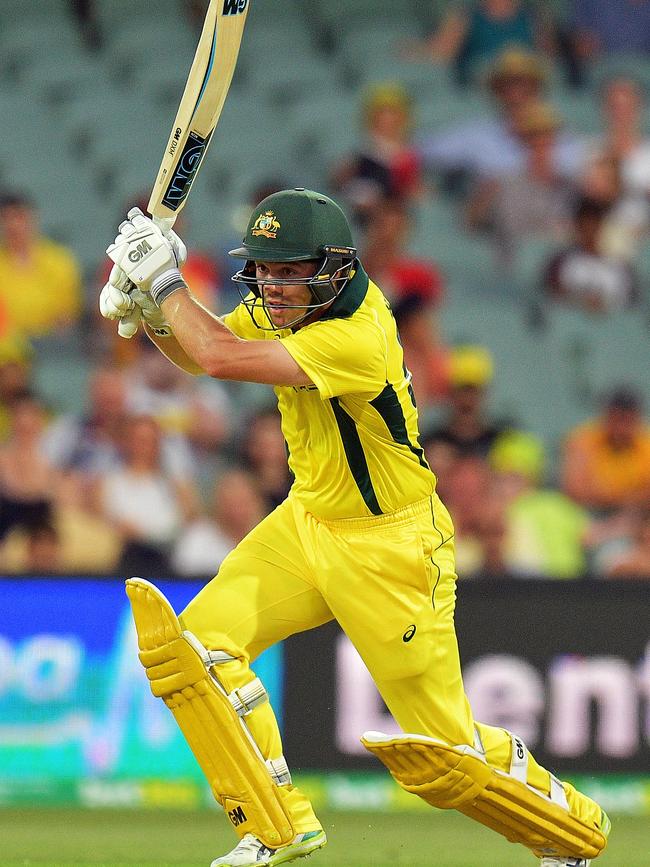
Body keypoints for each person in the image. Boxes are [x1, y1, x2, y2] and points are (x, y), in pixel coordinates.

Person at [99, 188, 609, 867]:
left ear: (334, 269)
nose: (274, 287)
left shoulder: (356, 335)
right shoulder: (286, 307)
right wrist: (152, 311)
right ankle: (278, 826)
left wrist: (163, 283)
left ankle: (572, 828)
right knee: (192, 651)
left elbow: (221, 358)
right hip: (306, 519)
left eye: (290, 271)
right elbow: (200, 350)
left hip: (391, 546)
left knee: (446, 753)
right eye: (266, 270)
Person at [0, 192, 82, 339]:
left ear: (33, 218)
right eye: (6, 219)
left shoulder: (60, 260)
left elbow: (67, 316)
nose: (13, 225)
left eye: (19, 217)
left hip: (50, 344)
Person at [543, 197, 639, 313]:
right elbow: (551, 298)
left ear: (601, 227)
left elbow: (628, 304)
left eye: (593, 226)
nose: (588, 233)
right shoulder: (560, 263)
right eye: (584, 226)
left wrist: (603, 304)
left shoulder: (618, 267)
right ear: (576, 227)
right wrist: (579, 301)